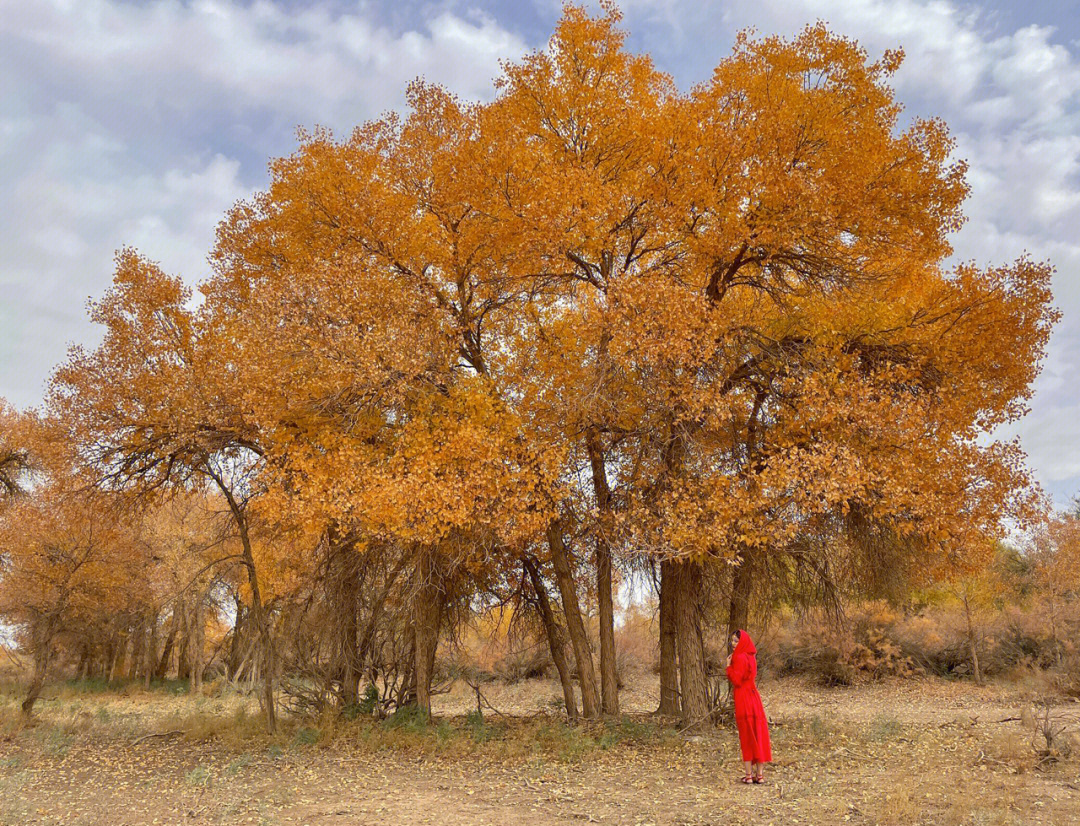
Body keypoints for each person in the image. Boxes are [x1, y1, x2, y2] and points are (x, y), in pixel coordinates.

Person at [725, 628, 772, 784]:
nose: (733, 644)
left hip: (743, 698)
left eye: (736, 641)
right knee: (759, 733)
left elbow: (737, 680)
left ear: (742, 642)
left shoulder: (738, 657)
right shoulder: (752, 657)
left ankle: (749, 775)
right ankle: (760, 775)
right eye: (732, 640)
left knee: (746, 734)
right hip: (754, 697)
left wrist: (728, 667)